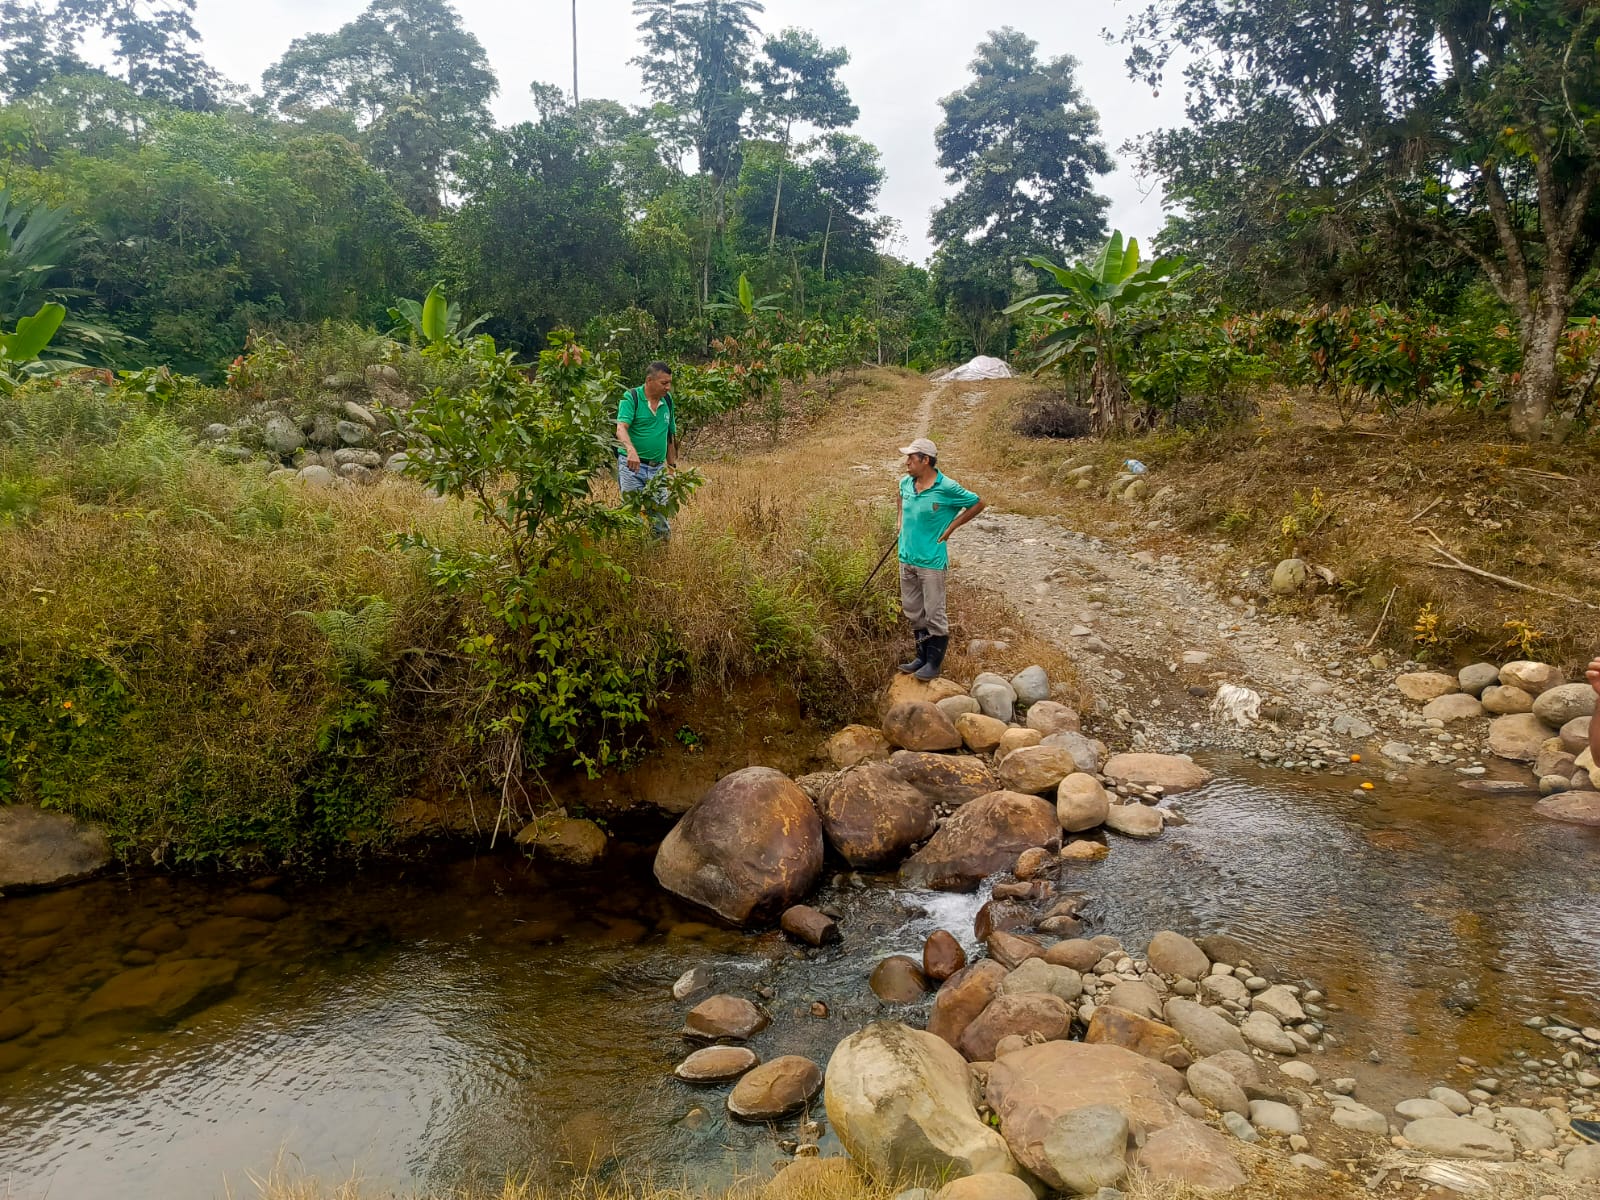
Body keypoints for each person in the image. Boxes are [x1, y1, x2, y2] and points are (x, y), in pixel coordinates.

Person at [895, 437, 986, 681]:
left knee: (934, 613)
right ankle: (921, 658)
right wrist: (900, 521)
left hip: (931, 561)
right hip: (906, 557)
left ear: (925, 460)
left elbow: (978, 503)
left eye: (911, 458)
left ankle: (933, 664)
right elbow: (900, 497)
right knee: (913, 611)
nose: (906, 463)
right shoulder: (906, 482)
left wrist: (952, 527)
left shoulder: (946, 487)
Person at [615, 361, 678, 538]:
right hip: (632, 467)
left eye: (669, 383)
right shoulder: (631, 397)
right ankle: (633, 550)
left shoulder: (667, 401)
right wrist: (630, 450)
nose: (668, 387)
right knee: (631, 515)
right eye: (664, 383)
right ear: (649, 380)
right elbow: (621, 428)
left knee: (660, 518)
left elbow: (670, 436)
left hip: (657, 468)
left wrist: (672, 467)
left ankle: (661, 552)